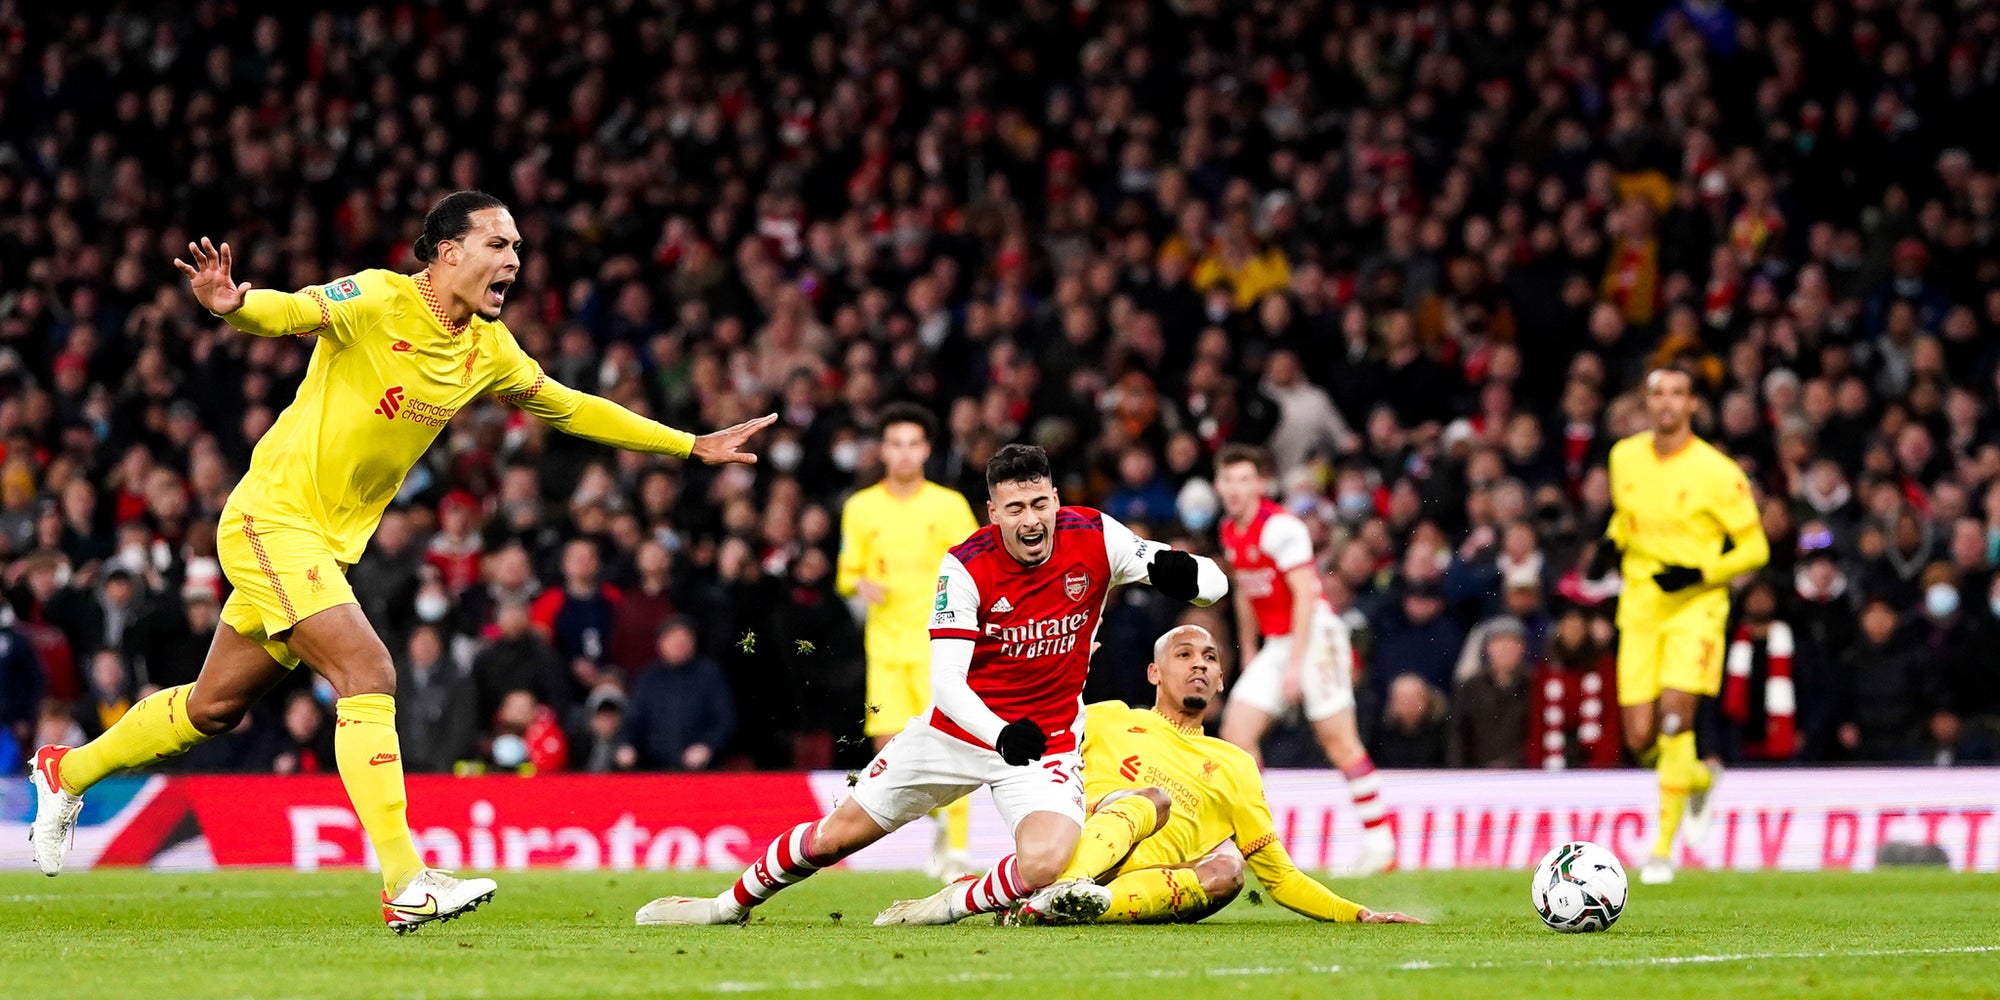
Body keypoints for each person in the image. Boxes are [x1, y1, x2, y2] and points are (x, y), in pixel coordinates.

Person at [27, 191, 774, 932]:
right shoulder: (379, 298)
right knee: (369, 672)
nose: (513, 259)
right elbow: (294, 312)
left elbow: (572, 406)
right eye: (497, 245)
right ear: (448, 253)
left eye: (516, 247)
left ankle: (68, 772)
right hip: (270, 519)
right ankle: (405, 882)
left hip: (324, 546)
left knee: (213, 708)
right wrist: (232, 305)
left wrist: (688, 444)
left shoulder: (489, 347)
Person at [635, 444, 1227, 927]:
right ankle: (724, 906)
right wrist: (999, 733)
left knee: (1045, 863)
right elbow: (945, 683)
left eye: (1039, 503)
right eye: (1015, 508)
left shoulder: (1095, 535)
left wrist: (1192, 575)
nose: (1031, 520)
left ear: (1054, 500)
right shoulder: (965, 566)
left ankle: (947, 902)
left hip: (1044, 741)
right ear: (992, 513)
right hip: (957, 731)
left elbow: (1214, 587)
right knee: (832, 840)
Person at [1006, 624, 1420, 925]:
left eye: (1210, 659)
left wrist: (1359, 914)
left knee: (1228, 872)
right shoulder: (1107, 717)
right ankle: (1061, 886)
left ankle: (1068, 907)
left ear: (1221, 682)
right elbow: (1025, 736)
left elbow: (1280, 876)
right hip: (1072, 847)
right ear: (1154, 673)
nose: (1199, 665)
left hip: (1139, 884)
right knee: (1144, 800)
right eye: (1184, 655)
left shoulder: (1235, 765)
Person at [1591, 366, 1769, 884]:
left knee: (1675, 719)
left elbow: (1756, 546)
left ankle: (1662, 850)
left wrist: (1701, 571)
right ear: (1646, 403)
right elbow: (1627, 516)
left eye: (1676, 394)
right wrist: (1610, 542)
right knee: (1642, 737)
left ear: (1692, 405)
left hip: (1697, 607)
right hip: (1641, 607)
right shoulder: (1624, 456)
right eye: (1657, 394)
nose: (1666, 403)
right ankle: (1698, 778)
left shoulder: (1717, 471)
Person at [1212, 444, 1395, 873]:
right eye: (1228, 480)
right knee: (1237, 733)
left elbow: (1304, 596)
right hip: (1277, 641)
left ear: (1260, 484)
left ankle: (1380, 844)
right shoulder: (1229, 530)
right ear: (1218, 485)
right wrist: (1249, 649)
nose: (1236, 489)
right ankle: (1256, 839)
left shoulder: (1281, 528)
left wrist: (1294, 666)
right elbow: (1245, 591)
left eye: (1244, 479)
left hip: (1315, 635)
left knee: (1338, 740)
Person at [832, 403, 980, 880]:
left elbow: (976, 564)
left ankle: (957, 847)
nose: (903, 453)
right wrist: (860, 585)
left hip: (941, 645)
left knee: (953, 741)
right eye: (895, 443)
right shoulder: (860, 507)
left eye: (912, 443)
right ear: (882, 450)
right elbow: (845, 571)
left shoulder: (949, 505)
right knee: (889, 747)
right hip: (886, 647)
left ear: (926, 450)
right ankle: (938, 820)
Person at [616, 617, 736, 771]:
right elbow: (633, 721)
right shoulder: (649, 678)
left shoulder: (709, 675)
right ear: (661, 644)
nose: (679, 646)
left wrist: (707, 745)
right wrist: (627, 745)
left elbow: (725, 720)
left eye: (685, 640)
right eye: (674, 640)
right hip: (655, 769)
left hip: (703, 769)